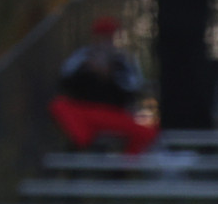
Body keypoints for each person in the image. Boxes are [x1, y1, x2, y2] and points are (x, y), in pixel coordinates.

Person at [50, 17, 159, 155]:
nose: (104, 41)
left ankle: (123, 167)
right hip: (84, 112)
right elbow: (65, 82)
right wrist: (88, 70)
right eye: (101, 36)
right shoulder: (81, 57)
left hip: (112, 114)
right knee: (59, 105)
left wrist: (111, 74)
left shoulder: (123, 60)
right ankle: (81, 144)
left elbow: (134, 88)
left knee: (147, 132)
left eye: (108, 36)